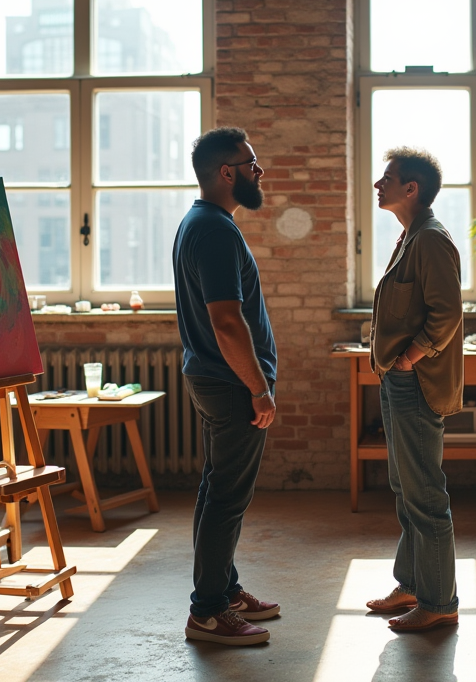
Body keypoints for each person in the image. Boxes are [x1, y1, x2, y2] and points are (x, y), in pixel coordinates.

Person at [173, 126, 280, 646]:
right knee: (226, 498)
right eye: (251, 163)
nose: (259, 172)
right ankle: (209, 612)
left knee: (217, 490)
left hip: (212, 377)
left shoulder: (203, 222)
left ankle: (225, 590)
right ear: (226, 172)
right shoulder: (214, 230)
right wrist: (259, 388)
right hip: (230, 382)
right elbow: (227, 322)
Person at [364, 147, 464, 632]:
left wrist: (409, 357)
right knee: (405, 488)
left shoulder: (430, 240)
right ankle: (412, 585)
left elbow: (447, 314)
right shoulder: (409, 237)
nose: (377, 185)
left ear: (412, 189)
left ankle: (440, 601)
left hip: (416, 382)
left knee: (425, 494)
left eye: (387, 179)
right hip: (397, 378)